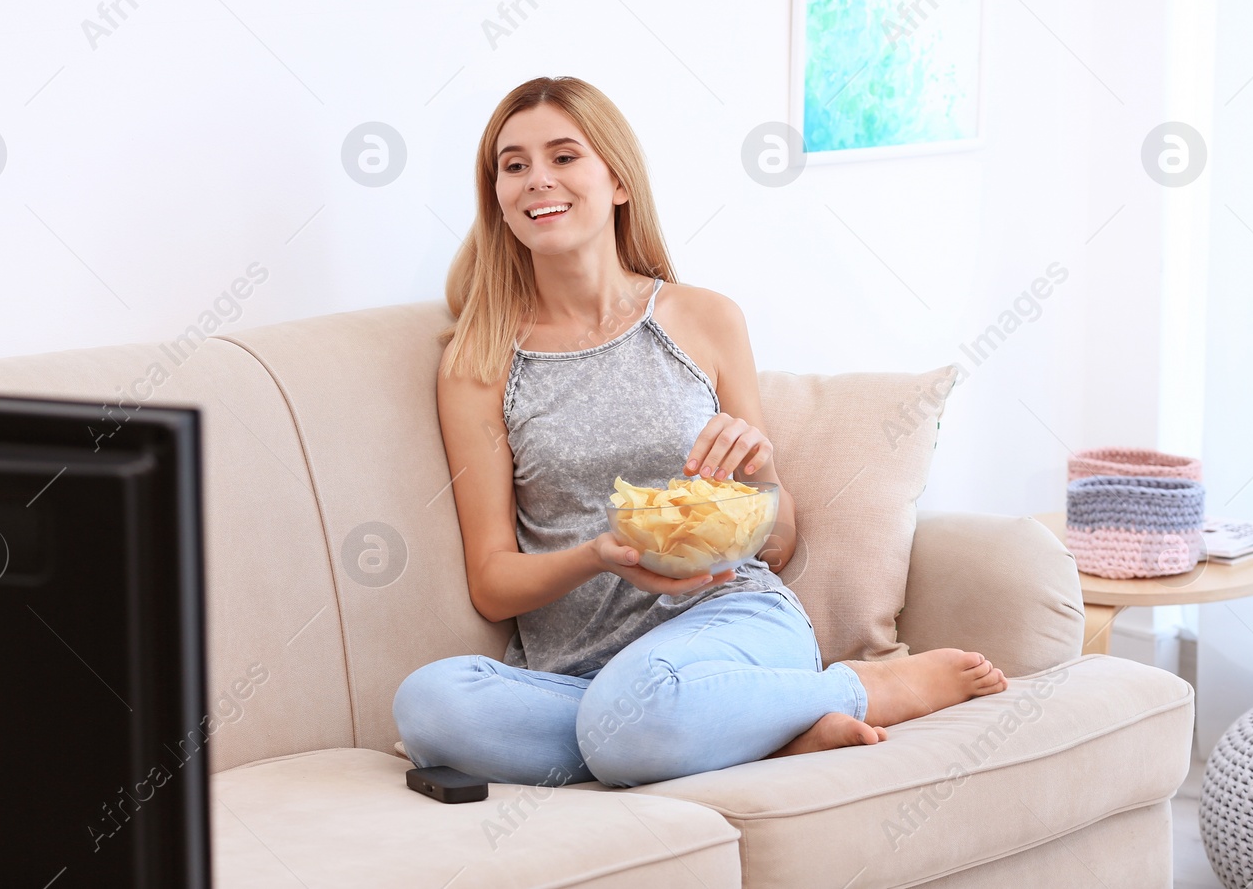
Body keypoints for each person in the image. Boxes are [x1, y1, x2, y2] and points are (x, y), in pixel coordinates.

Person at [392, 75, 1006, 789]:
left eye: (564, 156)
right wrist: (598, 553)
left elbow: (776, 543)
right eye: (514, 164)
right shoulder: (479, 359)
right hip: (578, 669)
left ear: (617, 181)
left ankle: (855, 689)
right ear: (496, 193)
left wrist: (761, 479)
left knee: (628, 715)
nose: (537, 181)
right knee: (430, 706)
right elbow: (494, 583)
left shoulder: (703, 319)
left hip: (729, 620)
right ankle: (746, 730)